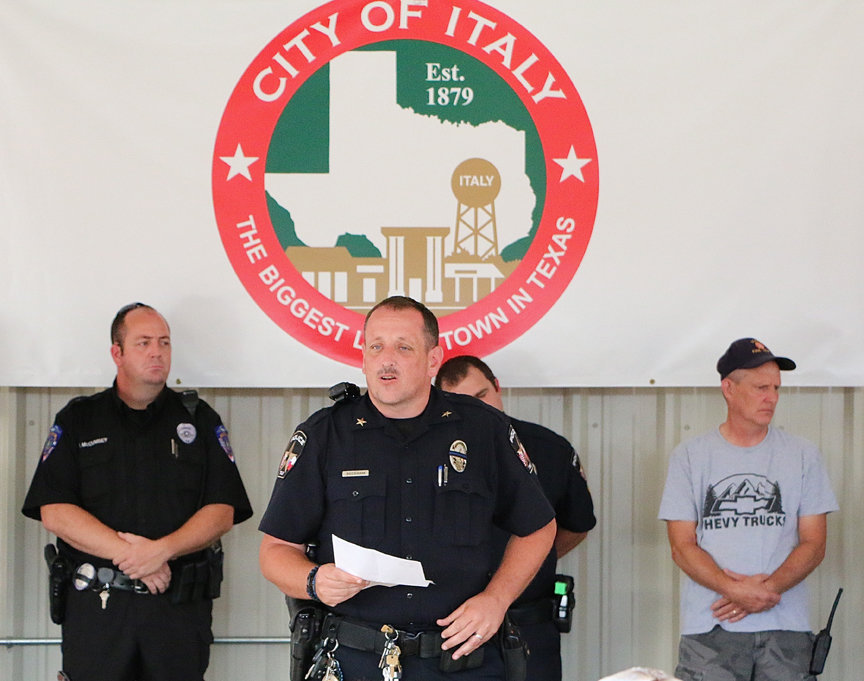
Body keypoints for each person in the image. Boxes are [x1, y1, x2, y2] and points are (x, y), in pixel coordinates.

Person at [259, 296, 556, 681]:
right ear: (363, 356)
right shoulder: (323, 435)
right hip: (356, 660)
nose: (386, 360)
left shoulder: (483, 430)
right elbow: (276, 550)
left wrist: (496, 600)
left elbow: (538, 526)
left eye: (403, 347)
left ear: (433, 359)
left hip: (463, 660)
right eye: (376, 346)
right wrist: (313, 582)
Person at [22, 302, 253, 681]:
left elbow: (222, 509)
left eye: (164, 342)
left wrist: (161, 551)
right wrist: (133, 557)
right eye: (143, 342)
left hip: (177, 610)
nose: (157, 352)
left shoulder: (198, 419)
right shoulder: (79, 419)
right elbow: (56, 510)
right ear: (117, 352)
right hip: (98, 611)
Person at [658, 338, 838, 681]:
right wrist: (735, 589)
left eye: (775, 388)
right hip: (710, 628)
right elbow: (682, 546)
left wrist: (766, 591)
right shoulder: (690, 457)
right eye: (760, 388)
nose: (771, 397)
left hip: (786, 629)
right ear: (729, 388)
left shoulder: (803, 455)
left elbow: (814, 544)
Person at [435, 355, 596, 681]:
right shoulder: (427, 454)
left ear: (497, 388)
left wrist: (521, 565)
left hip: (529, 626)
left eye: (482, 396)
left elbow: (576, 525)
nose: (478, 408)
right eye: (462, 403)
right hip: (451, 626)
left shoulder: (550, 449)